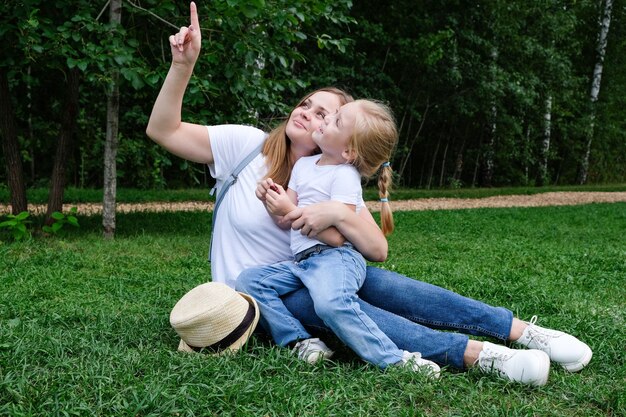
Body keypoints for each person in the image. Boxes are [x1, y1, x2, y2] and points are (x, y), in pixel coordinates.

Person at [147, 2, 592, 386]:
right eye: (306, 103)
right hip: (265, 296)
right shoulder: (244, 146)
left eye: (325, 113)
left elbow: (375, 247)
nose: (308, 113)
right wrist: (183, 65)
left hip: (320, 267)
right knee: (338, 304)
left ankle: (520, 331)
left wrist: (325, 216)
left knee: (392, 288)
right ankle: (481, 355)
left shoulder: (335, 175)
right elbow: (162, 129)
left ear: (341, 140)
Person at [249, 99, 439, 375]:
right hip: (302, 262)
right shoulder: (304, 166)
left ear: (349, 151)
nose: (326, 119)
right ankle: (300, 341)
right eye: (335, 115)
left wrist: (290, 210)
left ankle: (394, 359)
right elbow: (286, 217)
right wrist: (273, 199)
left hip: (335, 258)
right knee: (251, 282)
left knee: (331, 303)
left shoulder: (344, 176)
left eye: (336, 120)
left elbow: (338, 238)